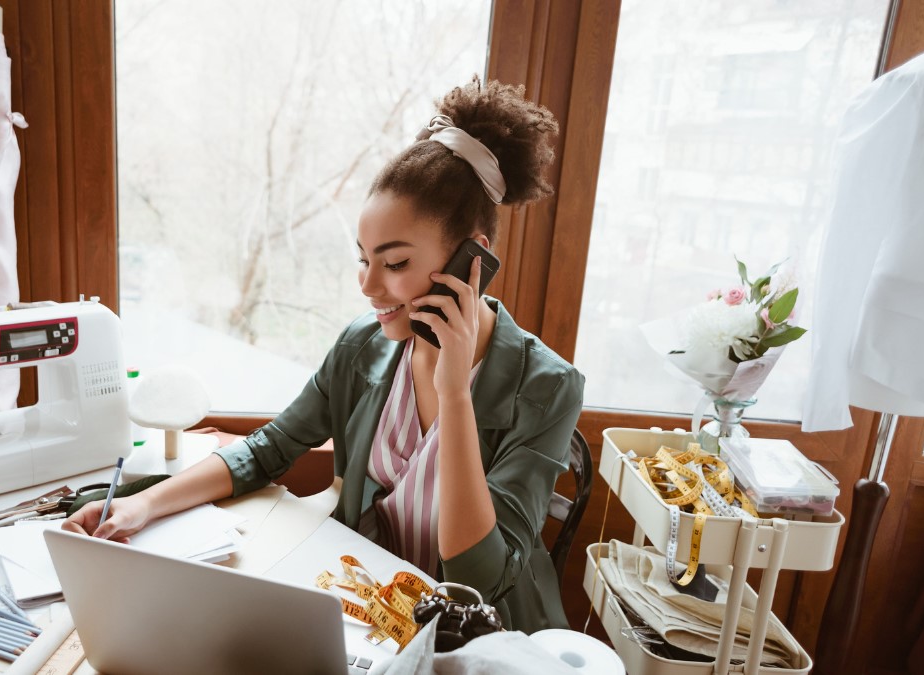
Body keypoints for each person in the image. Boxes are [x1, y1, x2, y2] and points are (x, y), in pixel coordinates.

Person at [64, 78, 584, 632]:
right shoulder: (364, 345)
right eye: (363, 258)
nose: (368, 285)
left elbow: (477, 580)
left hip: (481, 637)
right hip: (376, 613)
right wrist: (142, 507)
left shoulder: (550, 388)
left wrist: (455, 395)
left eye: (395, 263)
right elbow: (269, 450)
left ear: (471, 255)